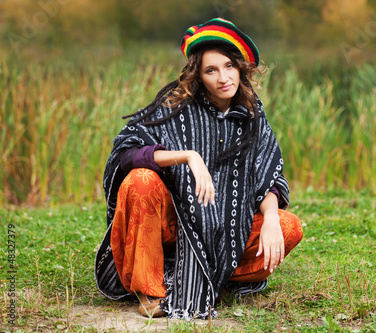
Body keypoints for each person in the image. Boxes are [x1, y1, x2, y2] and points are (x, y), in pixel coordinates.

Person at [94, 17, 303, 320]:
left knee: (288, 227)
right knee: (140, 180)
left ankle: (209, 276)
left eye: (229, 66)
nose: (223, 77)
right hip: (169, 228)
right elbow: (126, 155)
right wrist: (187, 156)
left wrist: (270, 215)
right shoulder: (174, 107)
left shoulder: (252, 117)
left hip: (226, 231)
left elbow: (268, 178)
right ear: (198, 75)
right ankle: (151, 289)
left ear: (240, 69)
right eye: (211, 70)